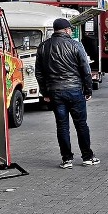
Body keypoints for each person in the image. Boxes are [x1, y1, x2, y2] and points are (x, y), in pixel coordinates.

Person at [35, 18, 99, 169]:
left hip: (55, 92)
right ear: (66, 30)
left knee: (62, 126)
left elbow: (39, 73)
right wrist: (88, 90)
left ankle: (66, 159)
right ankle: (87, 157)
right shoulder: (76, 45)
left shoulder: (43, 47)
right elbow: (85, 70)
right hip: (75, 90)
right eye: (69, 29)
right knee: (81, 124)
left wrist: (45, 92)